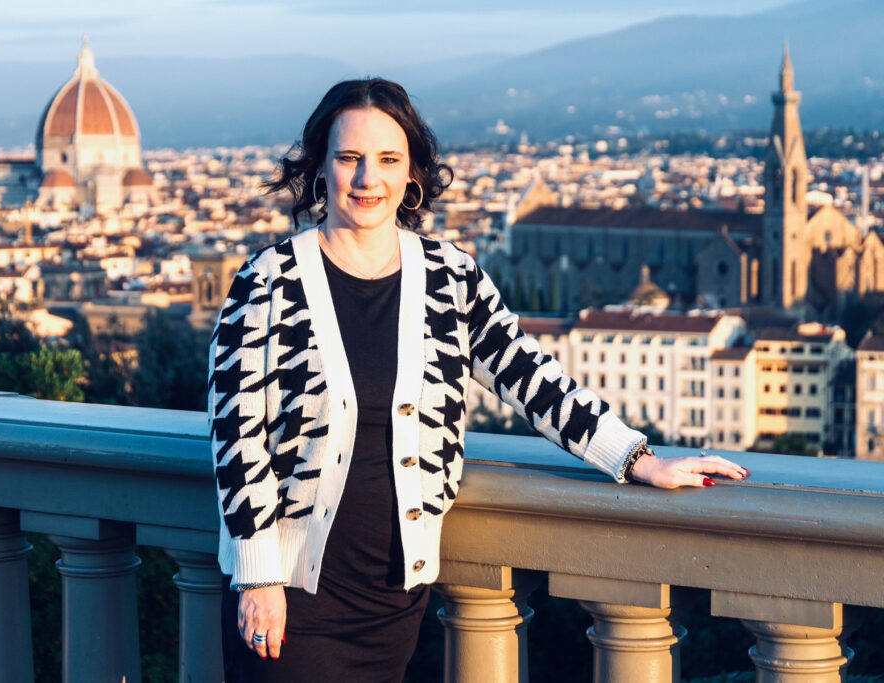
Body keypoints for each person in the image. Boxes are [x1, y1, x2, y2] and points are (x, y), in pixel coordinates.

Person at [207, 77, 749, 682]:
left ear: (412, 173)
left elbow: (529, 376)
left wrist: (636, 459)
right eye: (349, 158)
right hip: (292, 597)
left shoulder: (450, 278)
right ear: (319, 168)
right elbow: (237, 432)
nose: (368, 179)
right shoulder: (268, 280)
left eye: (388, 160)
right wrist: (258, 576)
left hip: (395, 595)